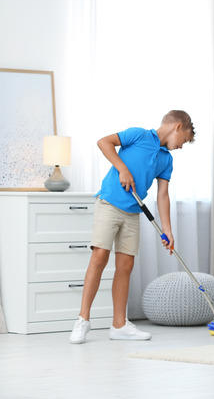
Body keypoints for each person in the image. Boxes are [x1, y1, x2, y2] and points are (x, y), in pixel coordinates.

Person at [69, 110, 195, 344]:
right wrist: (122, 169)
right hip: (109, 203)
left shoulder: (166, 159)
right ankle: (83, 320)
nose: (181, 146)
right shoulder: (138, 135)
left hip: (133, 212)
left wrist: (168, 229)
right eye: (184, 140)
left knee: (125, 265)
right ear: (178, 126)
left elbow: (163, 195)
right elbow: (104, 142)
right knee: (99, 257)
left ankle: (119, 325)